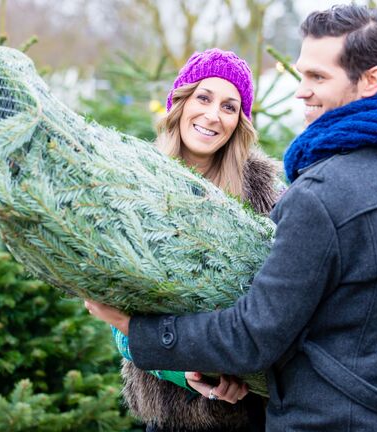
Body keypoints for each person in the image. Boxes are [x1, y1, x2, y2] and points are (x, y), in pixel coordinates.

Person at [86, 4, 377, 431]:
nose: (300, 90)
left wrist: (139, 332)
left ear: (372, 79)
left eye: (318, 77)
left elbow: (254, 336)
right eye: (302, 74)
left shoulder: (318, 196)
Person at [110, 48, 280, 432]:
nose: (212, 115)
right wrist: (181, 370)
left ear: (240, 121)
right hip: (175, 414)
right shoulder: (138, 186)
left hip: (255, 414)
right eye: (203, 98)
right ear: (180, 102)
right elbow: (117, 322)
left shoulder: (265, 192)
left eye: (229, 106)